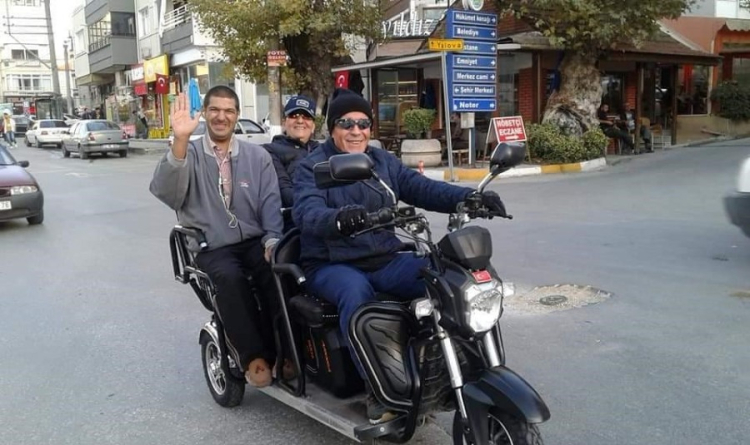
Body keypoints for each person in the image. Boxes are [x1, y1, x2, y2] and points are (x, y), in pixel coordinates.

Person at [292, 89, 508, 424]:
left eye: (363, 124)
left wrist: (470, 197)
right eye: (346, 123)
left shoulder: (382, 162)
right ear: (332, 127)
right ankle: (379, 391)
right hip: (333, 263)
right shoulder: (313, 166)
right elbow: (307, 212)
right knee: (356, 294)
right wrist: (339, 219)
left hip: (385, 258)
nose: (356, 131)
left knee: (446, 277)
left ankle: (458, 365)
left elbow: (421, 188)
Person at [150, 85, 284, 388]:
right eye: (214, 110)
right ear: (205, 113)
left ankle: (286, 351)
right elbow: (168, 194)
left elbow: (270, 202)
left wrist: (273, 239)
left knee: (279, 273)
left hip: (254, 241)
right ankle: (253, 356)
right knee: (230, 280)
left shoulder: (256, 156)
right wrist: (180, 139)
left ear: (237, 115)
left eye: (228, 111)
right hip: (213, 246)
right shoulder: (189, 152)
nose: (221, 117)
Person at [263, 95, 319, 229]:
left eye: (306, 117)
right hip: (294, 221)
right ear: (284, 122)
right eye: (294, 116)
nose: (300, 121)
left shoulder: (322, 150)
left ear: (313, 125)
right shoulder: (271, 151)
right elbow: (285, 193)